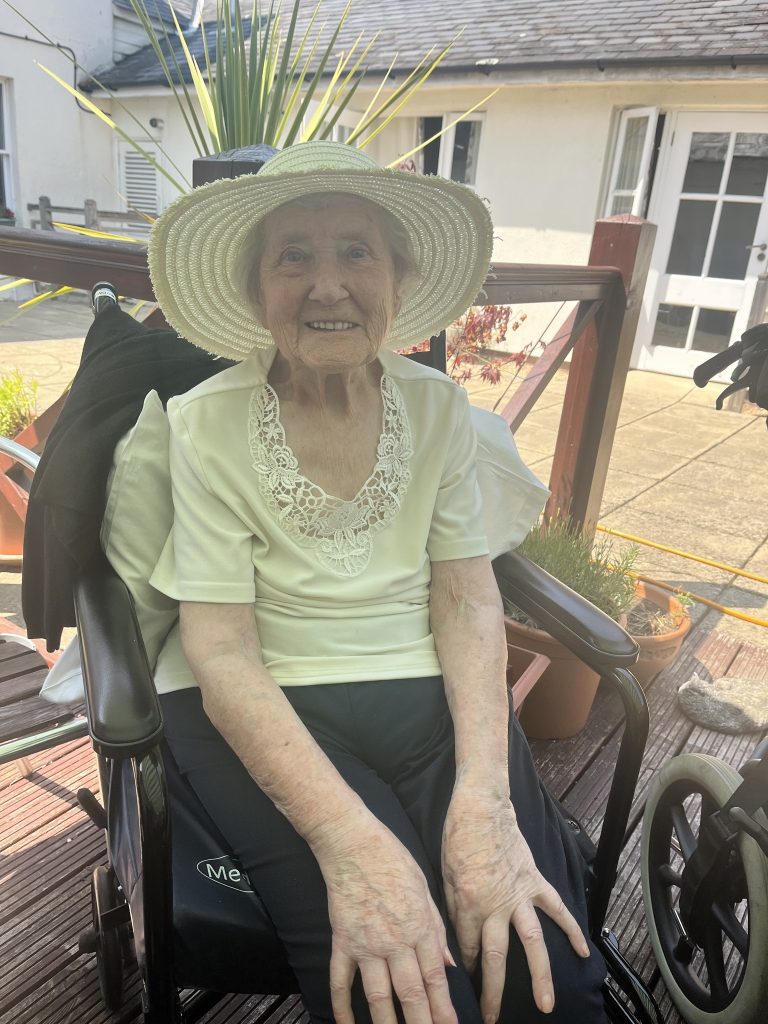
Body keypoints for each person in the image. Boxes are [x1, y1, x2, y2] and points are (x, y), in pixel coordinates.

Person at [146, 141, 606, 1024]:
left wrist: (485, 798)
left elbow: (467, 599)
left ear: (397, 277)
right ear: (256, 290)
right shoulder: (204, 425)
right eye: (293, 256)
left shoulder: (437, 407)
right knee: (400, 991)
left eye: (356, 251)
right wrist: (350, 840)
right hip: (265, 702)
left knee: (551, 979)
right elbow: (223, 650)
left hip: (431, 695)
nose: (328, 285)